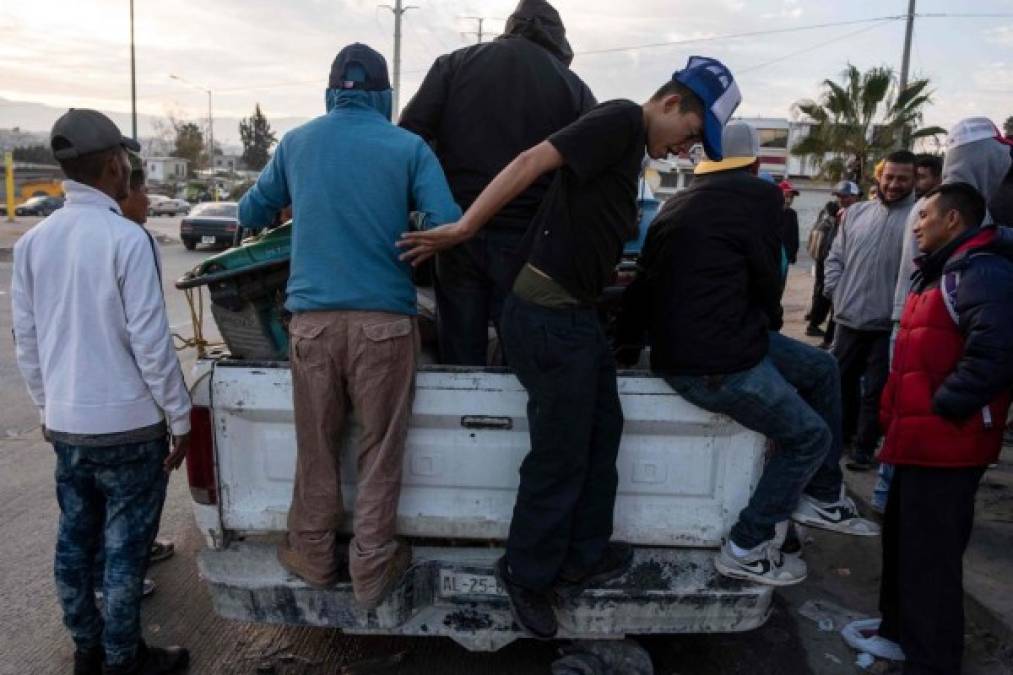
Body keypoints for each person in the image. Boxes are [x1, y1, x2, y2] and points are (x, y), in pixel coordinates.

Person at [400, 55, 740, 639]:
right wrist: (464, 229)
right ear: (670, 103)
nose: (689, 148)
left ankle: (585, 552)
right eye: (691, 133)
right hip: (545, 317)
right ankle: (527, 574)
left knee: (602, 432)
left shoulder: (632, 149)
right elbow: (532, 160)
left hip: (574, 315)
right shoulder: (616, 122)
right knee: (559, 454)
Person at [237, 44, 461, 608]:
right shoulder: (409, 147)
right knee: (379, 452)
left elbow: (249, 215)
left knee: (316, 447)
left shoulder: (297, 143)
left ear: (331, 89)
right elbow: (449, 224)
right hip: (385, 325)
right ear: (386, 95)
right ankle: (371, 570)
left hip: (310, 327)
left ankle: (313, 556)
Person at [615, 121, 877, 590]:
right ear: (755, 163)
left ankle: (821, 493)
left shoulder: (676, 203)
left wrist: (629, 345)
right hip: (718, 362)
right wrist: (769, 321)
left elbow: (643, 285)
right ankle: (746, 546)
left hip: (699, 348)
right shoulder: (758, 196)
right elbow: (766, 274)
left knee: (822, 366)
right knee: (810, 437)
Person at [12, 109, 191, 675]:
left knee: (74, 544)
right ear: (114, 165)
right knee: (123, 551)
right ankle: (123, 659)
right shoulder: (128, 240)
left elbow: (28, 341)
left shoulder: (33, 244)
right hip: (130, 428)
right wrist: (180, 418)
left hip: (68, 425)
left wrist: (47, 407)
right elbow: (151, 343)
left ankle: (87, 652)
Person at [399, 0, 595, 365]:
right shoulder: (574, 89)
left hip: (456, 231)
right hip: (528, 241)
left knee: (460, 350)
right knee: (521, 351)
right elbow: (590, 169)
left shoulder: (454, 65)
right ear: (559, 39)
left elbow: (409, 138)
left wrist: (427, 203)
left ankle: (461, 417)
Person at [870, 183, 1013, 673]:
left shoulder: (982, 273)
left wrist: (943, 407)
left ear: (953, 220)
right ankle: (899, 634)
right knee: (904, 545)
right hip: (918, 441)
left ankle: (933, 661)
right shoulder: (938, 272)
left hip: (948, 442)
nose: (916, 223)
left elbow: (995, 354)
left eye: (925, 214)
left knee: (931, 558)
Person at [876, 118, 1013, 510]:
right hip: (925, 330)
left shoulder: (959, 205)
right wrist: (951, 401)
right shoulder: (950, 210)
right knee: (915, 440)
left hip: (925, 327)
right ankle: (893, 500)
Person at [823, 150, 917, 471]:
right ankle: (841, 439)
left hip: (888, 324)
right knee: (838, 383)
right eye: (889, 177)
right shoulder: (856, 214)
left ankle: (864, 448)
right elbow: (834, 258)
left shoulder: (920, 218)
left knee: (876, 392)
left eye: (902, 178)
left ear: (914, 180)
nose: (893, 184)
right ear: (879, 176)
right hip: (847, 319)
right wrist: (835, 292)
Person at [804, 181, 860, 342]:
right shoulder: (833, 212)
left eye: (846, 196)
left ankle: (826, 333)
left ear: (856, 197)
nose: (842, 199)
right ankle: (823, 332)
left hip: (840, 262)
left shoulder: (858, 214)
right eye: (839, 196)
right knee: (826, 295)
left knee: (829, 296)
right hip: (828, 260)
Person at [778, 179, 800, 264]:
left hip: (786, 257)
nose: (789, 200)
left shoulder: (792, 214)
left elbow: (795, 236)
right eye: (786, 196)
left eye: (791, 197)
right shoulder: (770, 212)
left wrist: (792, 255)